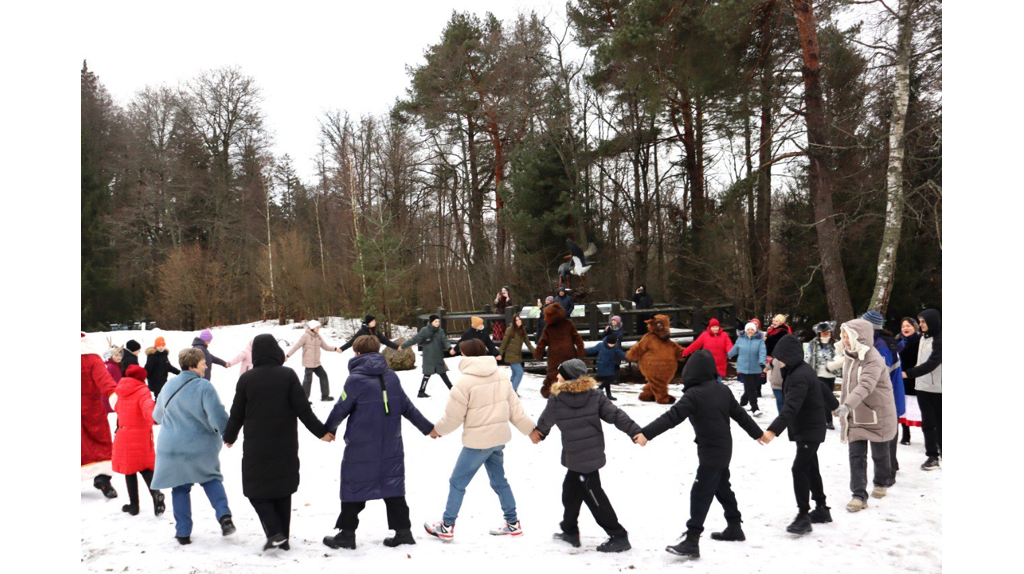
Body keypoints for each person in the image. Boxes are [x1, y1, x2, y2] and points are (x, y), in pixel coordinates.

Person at [633, 350, 763, 559]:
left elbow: (672, 417)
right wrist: (757, 434)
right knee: (721, 487)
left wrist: (646, 434)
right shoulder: (722, 390)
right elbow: (740, 414)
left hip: (711, 451)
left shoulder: (693, 395)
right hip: (723, 448)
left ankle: (692, 539)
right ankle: (734, 526)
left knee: (701, 492)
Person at [223, 334, 334, 551]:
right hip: (285, 443)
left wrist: (230, 436)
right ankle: (282, 539)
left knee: (256, 490)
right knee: (282, 491)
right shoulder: (288, 375)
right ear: (275, 352)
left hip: (257, 445)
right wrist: (321, 432)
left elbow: (236, 413)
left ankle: (275, 532)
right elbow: (304, 410)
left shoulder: (247, 379)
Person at [321, 336, 434, 550]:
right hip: (390, 443)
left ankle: (346, 534)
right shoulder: (390, 376)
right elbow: (408, 407)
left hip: (361, 445)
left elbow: (341, 408)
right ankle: (404, 532)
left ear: (357, 353)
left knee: (354, 486)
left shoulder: (355, 380)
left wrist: (328, 430)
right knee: (392, 484)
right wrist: (428, 428)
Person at [424, 339, 535, 542]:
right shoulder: (501, 376)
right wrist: (531, 430)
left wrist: (437, 431)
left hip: (478, 443)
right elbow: (516, 410)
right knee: (499, 481)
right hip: (498, 440)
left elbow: (453, 418)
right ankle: (512, 523)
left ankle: (447, 525)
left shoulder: (464, 382)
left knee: (457, 482)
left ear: (466, 356)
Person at [532, 358, 640, 553]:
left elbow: (546, 420)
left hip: (580, 458)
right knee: (570, 491)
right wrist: (634, 430)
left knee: (594, 497)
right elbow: (616, 415)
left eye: (560, 373)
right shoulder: (595, 395)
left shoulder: (557, 398)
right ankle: (569, 530)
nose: (557, 376)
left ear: (568, 377)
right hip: (587, 455)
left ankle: (618, 535)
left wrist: (540, 433)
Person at [151, 347, 235, 545]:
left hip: (171, 448)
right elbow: (218, 415)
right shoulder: (204, 387)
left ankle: (183, 533)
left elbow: (156, 417)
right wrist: (228, 434)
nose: (206, 366)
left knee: (180, 488)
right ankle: (224, 518)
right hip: (199, 445)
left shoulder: (169, 386)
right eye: (202, 362)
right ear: (192, 364)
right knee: (211, 479)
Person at [758, 334, 839, 535]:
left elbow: (791, 407)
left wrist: (773, 430)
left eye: (779, 356)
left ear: (790, 355)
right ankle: (821, 509)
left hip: (809, 429)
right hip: (807, 428)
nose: (776, 360)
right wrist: (835, 406)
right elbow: (820, 387)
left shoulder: (799, 375)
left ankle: (803, 516)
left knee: (799, 469)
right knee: (810, 466)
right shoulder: (798, 370)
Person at [833, 319, 897, 512]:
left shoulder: (873, 359)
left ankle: (881, 481)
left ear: (860, 337)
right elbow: (847, 386)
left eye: (848, 336)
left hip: (877, 413)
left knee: (880, 453)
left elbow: (865, 386)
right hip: (856, 414)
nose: (845, 340)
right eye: (843, 336)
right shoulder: (850, 357)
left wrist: (845, 406)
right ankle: (859, 495)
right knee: (856, 455)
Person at [861, 311, 906, 487]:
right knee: (888, 434)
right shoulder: (878, 342)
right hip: (889, 397)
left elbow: (880, 375)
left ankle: (888, 475)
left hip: (888, 398)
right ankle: (891, 466)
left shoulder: (880, 346)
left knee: (887, 435)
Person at [112, 364, 164, 517]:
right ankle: (156, 494)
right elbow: (149, 409)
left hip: (124, 432)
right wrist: (156, 418)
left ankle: (134, 505)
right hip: (141, 435)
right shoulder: (143, 391)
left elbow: (116, 408)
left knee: (129, 470)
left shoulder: (121, 390)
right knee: (145, 467)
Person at [82, 332, 120, 499]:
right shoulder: (92, 359)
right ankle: (103, 478)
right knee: (100, 442)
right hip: (92, 410)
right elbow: (105, 381)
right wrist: (115, 397)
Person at [902, 309, 941, 470]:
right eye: (920, 321)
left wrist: (909, 373)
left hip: (939, 388)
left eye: (924, 322)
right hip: (922, 387)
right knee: (928, 423)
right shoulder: (924, 339)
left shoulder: (940, 339)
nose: (921, 325)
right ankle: (932, 456)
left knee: (941, 423)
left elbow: (933, 363)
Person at [626, 315, 685, 404]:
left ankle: (647, 395)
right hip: (652, 366)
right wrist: (630, 355)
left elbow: (676, 348)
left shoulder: (667, 341)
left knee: (656, 382)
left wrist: (685, 353)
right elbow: (639, 347)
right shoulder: (649, 338)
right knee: (658, 381)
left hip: (666, 369)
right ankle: (663, 397)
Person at [533, 303, 586, 398]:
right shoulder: (551, 327)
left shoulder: (566, 324)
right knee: (559, 372)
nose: (545, 318)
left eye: (547, 316)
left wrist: (538, 352)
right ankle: (557, 390)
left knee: (560, 372)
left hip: (560, 356)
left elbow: (576, 337)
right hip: (560, 355)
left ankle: (556, 390)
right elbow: (542, 341)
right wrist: (580, 348)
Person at [286, 320, 341, 402]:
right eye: (317, 327)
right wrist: (287, 355)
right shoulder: (305, 336)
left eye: (319, 327)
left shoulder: (318, 336)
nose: (318, 329)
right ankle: (304, 400)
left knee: (323, 376)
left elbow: (325, 347)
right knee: (307, 381)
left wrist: (335, 349)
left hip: (317, 363)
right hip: (309, 363)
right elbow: (296, 346)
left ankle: (325, 396)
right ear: (312, 327)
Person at [400, 315, 454, 398]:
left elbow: (445, 341)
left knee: (443, 373)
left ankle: (452, 390)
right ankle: (421, 392)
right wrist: (403, 346)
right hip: (428, 356)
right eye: (436, 321)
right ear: (431, 321)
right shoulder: (424, 330)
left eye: (438, 321)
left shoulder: (440, 331)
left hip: (438, 356)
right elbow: (415, 339)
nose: (437, 323)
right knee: (427, 374)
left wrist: (450, 348)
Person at [804, 322, 841, 430]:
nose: (825, 333)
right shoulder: (813, 343)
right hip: (818, 375)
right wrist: (806, 370)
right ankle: (827, 420)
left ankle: (827, 419)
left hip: (831, 375)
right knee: (823, 397)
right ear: (819, 333)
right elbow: (807, 356)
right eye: (823, 332)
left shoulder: (835, 343)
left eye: (827, 331)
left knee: (828, 397)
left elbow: (840, 357)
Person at [728, 322, 767, 417]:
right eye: (748, 329)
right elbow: (735, 349)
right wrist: (728, 355)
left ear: (755, 331)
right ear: (745, 330)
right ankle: (755, 408)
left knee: (751, 387)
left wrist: (762, 363)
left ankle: (742, 403)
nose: (750, 331)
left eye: (752, 329)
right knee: (752, 388)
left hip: (756, 367)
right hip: (744, 368)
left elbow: (762, 352)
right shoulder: (740, 339)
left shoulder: (760, 341)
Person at [683, 318, 734, 382]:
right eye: (713, 327)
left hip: (720, 365)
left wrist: (730, 352)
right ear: (709, 327)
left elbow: (729, 344)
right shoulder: (704, 335)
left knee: (717, 384)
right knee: (709, 384)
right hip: (708, 365)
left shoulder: (724, 335)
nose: (715, 329)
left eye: (716, 327)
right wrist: (685, 352)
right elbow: (695, 345)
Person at [896, 317, 922, 445]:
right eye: (903, 326)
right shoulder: (899, 342)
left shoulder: (920, 341)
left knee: (920, 409)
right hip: (901, 378)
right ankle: (906, 435)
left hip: (917, 377)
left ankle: (931, 438)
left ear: (915, 327)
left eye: (908, 326)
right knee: (903, 407)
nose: (905, 328)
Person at [498, 315, 535, 394]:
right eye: (516, 320)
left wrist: (536, 352)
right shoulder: (510, 330)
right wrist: (499, 354)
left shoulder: (522, 330)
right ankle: (513, 391)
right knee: (519, 372)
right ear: (514, 322)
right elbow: (504, 343)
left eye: (519, 320)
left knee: (515, 373)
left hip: (517, 355)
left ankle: (509, 390)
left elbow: (528, 343)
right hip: (511, 355)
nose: (519, 321)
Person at [764, 315, 792, 413]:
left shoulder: (782, 330)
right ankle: (776, 389)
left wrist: (767, 339)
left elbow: (777, 341)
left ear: (780, 322)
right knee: (771, 373)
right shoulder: (772, 329)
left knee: (777, 372)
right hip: (771, 353)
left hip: (777, 354)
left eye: (776, 321)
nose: (774, 322)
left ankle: (779, 390)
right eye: (774, 320)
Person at [586, 334, 627, 400]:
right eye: (610, 344)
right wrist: (583, 351)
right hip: (602, 365)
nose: (611, 345)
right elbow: (592, 350)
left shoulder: (615, 348)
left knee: (609, 379)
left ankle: (608, 394)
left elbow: (621, 353)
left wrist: (629, 356)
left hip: (610, 366)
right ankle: (600, 388)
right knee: (610, 378)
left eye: (613, 344)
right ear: (607, 342)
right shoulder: (601, 345)